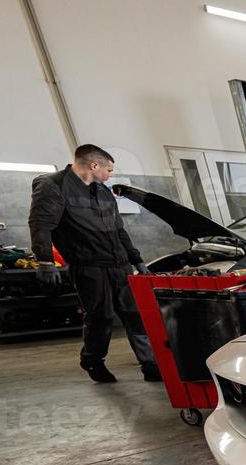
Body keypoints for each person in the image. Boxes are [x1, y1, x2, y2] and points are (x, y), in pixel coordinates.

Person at [29, 144, 158, 383]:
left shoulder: (103, 192)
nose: (110, 175)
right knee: (101, 317)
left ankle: (150, 364)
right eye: (108, 169)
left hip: (120, 265)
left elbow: (119, 230)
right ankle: (92, 360)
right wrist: (45, 261)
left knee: (135, 314)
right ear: (94, 165)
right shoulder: (53, 185)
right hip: (89, 267)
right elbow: (41, 225)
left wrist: (136, 259)